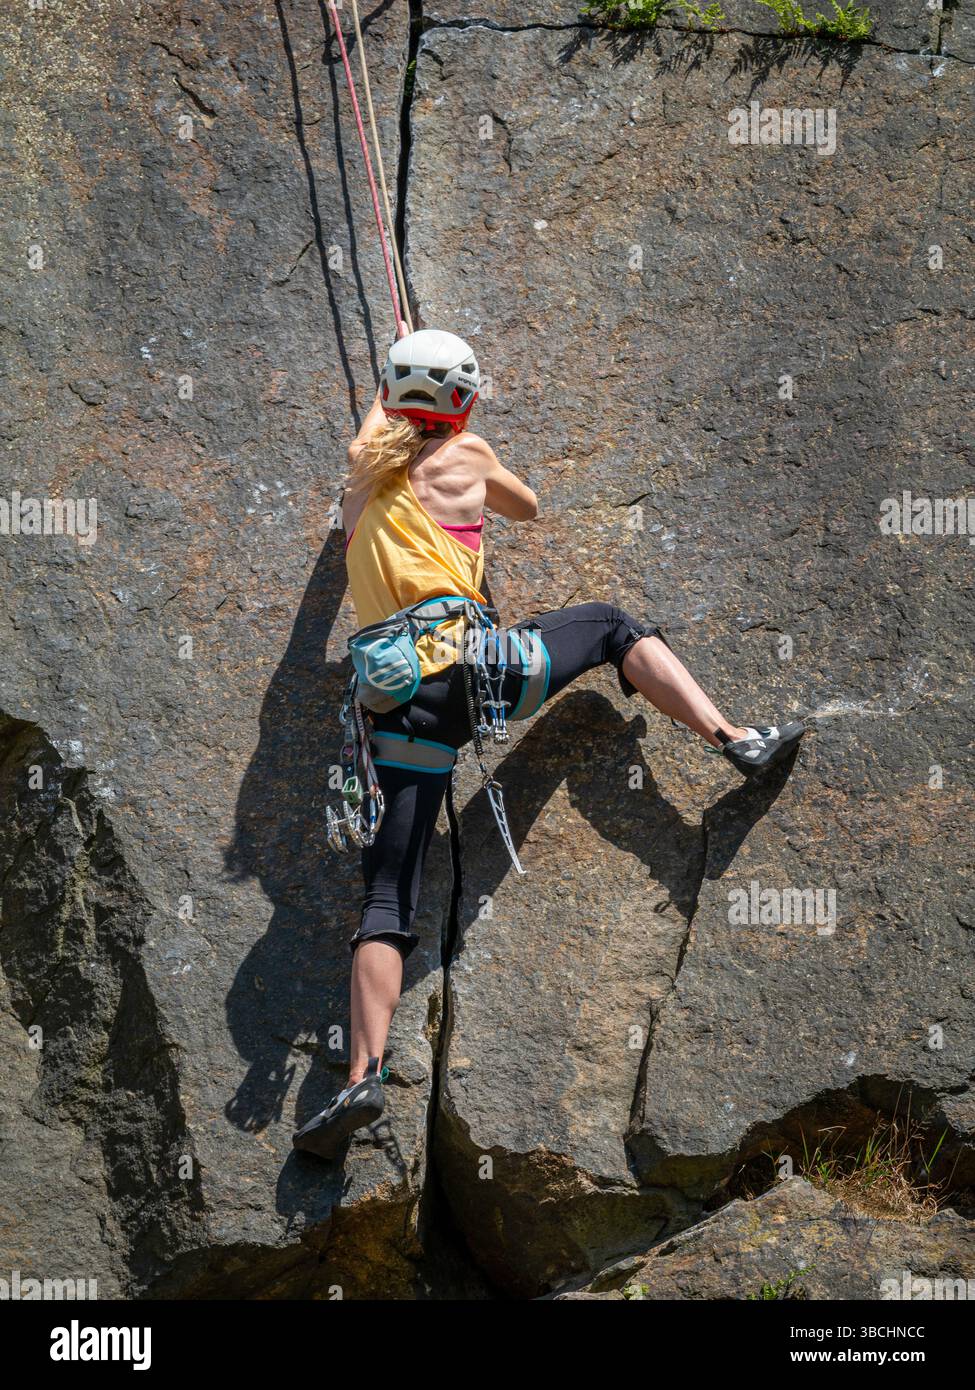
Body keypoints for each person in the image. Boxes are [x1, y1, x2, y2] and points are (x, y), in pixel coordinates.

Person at [293, 329, 804, 1158]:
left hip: (395, 710)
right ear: (460, 402)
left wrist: (391, 385)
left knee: (386, 900)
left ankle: (361, 1078)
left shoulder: (359, 473)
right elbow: (525, 507)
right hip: (481, 674)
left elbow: (373, 440)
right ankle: (733, 738)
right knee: (606, 626)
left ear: (388, 394)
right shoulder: (468, 455)